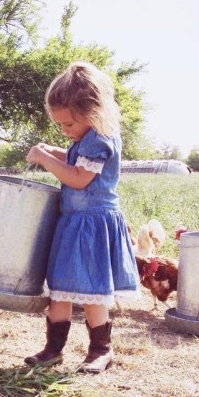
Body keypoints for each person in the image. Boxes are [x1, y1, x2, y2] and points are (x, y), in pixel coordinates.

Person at [24, 61, 139, 373]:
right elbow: (75, 159)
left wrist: (46, 158)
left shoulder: (101, 138)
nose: (65, 131)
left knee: (91, 290)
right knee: (60, 286)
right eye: (60, 125)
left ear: (94, 112)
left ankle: (101, 349)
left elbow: (78, 177)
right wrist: (55, 150)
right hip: (74, 221)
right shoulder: (84, 138)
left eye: (69, 125)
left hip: (92, 224)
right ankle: (53, 349)